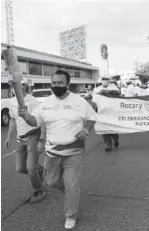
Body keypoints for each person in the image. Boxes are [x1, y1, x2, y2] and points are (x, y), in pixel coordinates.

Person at [18, 70, 97, 230]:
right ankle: (72, 192)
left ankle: (71, 214)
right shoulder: (45, 103)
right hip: (52, 151)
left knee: (70, 184)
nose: (56, 85)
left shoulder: (79, 102)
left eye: (60, 83)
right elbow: (35, 121)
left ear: (68, 84)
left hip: (74, 150)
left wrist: (86, 131)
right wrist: (26, 116)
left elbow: (92, 117)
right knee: (51, 181)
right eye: (54, 82)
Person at [5, 79, 46, 203]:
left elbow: (42, 120)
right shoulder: (11, 101)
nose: (16, 87)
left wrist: (42, 140)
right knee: (20, 168)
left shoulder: (33, 102)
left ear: (24, 87)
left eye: (19, 85)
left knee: (30, 168)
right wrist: (8, 137)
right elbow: (12, 119)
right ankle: (40, 169)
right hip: (20, 138)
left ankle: (39, 190)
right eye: (13, 85)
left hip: (33, 135)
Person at [93, 76, 120, 152]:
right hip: (101, 112)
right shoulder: (97, 89)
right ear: (101, 81)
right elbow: (94, 100)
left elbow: (118, 93)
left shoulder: (113, 87)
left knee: (112, 129)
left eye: (106, 81)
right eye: (103, 80)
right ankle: (108, 145)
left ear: (108, 81)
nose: (104, 82)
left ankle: (116, 139)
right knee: (104, 129)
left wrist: (107, 92)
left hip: (111, 112)